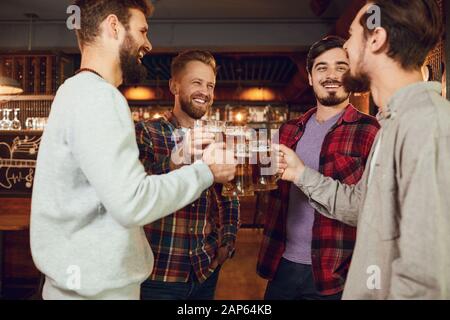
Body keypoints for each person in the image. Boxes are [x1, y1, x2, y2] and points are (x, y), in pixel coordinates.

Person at [30, 0, 235, 300]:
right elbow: (132, 202)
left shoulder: (76, 91)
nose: (148, 44)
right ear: (114, 26)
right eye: (142, 30)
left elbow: (112, 195)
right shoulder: (98, 97)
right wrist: (206, 172)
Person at [277, 0, 450, 299]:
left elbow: (426, 279)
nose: (346, 46)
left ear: (376, 39)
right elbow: (361, 205)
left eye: (352, 34)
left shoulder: (428, 125)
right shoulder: (394, 123)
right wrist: (301, 173)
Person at [258, 36, 379, 300]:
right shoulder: (288, 130)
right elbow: (268, 185)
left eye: (341, 67)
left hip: (337, 273)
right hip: (282, 265)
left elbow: (372, 209)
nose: (331, 75)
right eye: (322, 68)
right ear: (311, 77)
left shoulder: (371, 131)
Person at [135, 50, 239, 300]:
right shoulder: (146, 132)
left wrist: (227, 240)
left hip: (205, 270)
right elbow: (135, 191)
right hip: (159, 274)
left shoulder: (216, 138)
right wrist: (174, 159)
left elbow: (229, 193)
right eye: (196, 82)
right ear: (174, 85)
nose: (205, 91)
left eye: (210, 85)